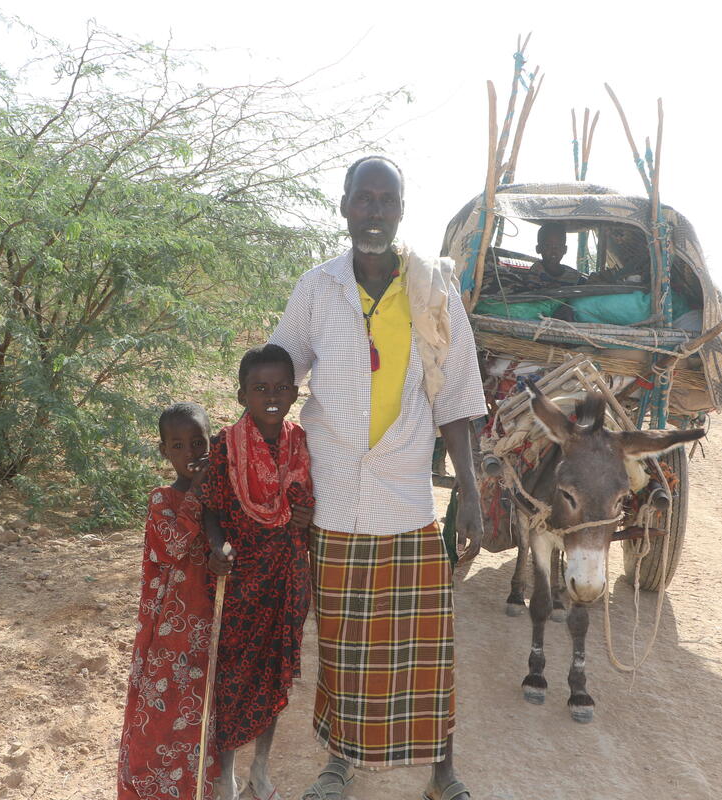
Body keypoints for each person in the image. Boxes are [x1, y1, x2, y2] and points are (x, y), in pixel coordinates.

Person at [269, 156, 488, 800]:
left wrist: (470, 492)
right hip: (334, 494)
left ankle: (442, 774)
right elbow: (280, 368)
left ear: (399, 211)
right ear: (343, 207)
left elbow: (458, 397)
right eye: (361, 199)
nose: (372, 211)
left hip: (406, 496)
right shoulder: (317, 289)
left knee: (427, 643)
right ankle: (339, 764)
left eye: (384, 201)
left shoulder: (432, 290)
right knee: (341, 642)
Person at [201, 343, 315, 800]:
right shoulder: (225, 446)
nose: (272, 396)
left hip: (288, 577)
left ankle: (261, 770)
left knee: (275, 675)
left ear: (294, 392)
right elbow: (209, 508)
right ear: (243, 394)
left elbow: (309, 505)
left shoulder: (303, 443)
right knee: (231, 677)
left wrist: (307, 515)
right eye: (259, 388)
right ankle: (226, 774)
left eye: (281, 387)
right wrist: (215, 548)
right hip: (240, 579)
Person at [117, 402, 219, 800]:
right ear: (164, 452)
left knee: (200, 716)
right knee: (159, 715)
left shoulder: (221, 496)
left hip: (210, 625)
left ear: (210, 443)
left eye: (197, 443)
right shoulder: (161, 499)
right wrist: (198, 490)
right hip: (169, 633)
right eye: (177, 446)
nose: (189, 453)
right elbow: (175, 543)